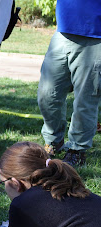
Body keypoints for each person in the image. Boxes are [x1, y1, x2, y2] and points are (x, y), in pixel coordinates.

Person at [38, 0, 101, 167]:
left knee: (85, 99)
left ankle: (77, 149)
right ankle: (53, 141)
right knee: (47, 94)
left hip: (96, 35)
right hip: (63, 32)